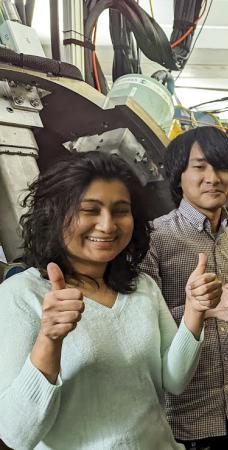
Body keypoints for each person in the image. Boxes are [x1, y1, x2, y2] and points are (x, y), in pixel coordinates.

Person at [0, 152, 212, 449]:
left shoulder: (141, 286)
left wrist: (194, 311)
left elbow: (173, 381)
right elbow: (16, 435)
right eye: (90, 210)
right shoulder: (21, 296)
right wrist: (49, 339)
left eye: (120, 210)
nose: (107, 225)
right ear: (54, 214)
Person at [141, 127, 228, 449]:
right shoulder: (154, 240)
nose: (213, 177)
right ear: (178, 176)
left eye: (222, 167)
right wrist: (201, 313)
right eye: (200, 166)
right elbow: (142, 323)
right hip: (181, 414)